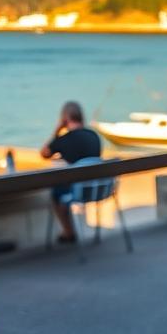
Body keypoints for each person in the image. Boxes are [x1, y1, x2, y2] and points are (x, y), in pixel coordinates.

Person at [40, 101, 102, 243]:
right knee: (64, 187)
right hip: (98, 188)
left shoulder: (64, 140)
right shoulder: (94, 136)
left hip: (78, 191)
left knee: (57, 193)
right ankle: (70, 232)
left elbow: (44, 154)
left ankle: (68, 232)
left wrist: (57, 130)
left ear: (64, 119)